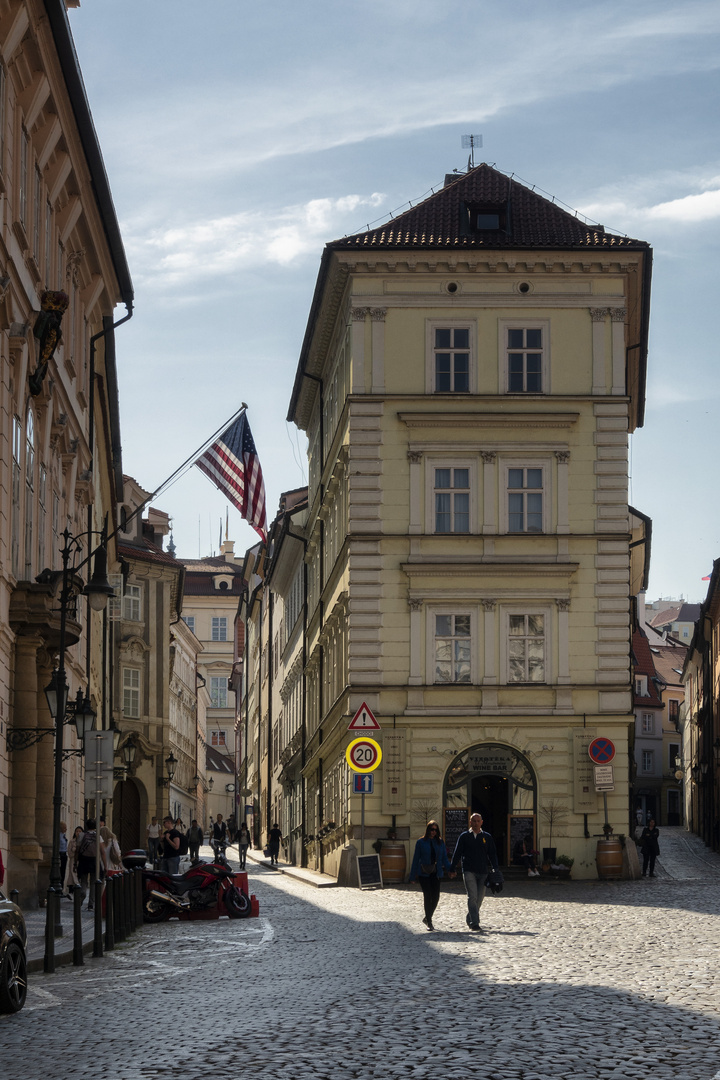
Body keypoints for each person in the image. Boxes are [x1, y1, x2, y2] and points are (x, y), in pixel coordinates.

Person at [451, 812, 500, 932]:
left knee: (479, 898)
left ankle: (470, 917)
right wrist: (452, 868)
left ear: (481, 822)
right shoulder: (464, 836)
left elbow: (492, 854)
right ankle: (475, 923)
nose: (476, 823)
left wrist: (496, 869)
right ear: (470, 822)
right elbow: (457, 853)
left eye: (478, 821)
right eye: (474, 821)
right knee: (472, 896)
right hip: (468, 871)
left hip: (483, 872)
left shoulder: (487, 837)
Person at [408, 820, 454, 930]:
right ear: (428, 830)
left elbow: (444, 859)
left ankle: (427, 917)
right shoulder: (421, 842)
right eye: (431, 829)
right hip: (424, 873)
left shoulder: (440, 842)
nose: (433, 832)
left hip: (436, 872)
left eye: (435, 830)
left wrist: (450, 869)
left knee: (436, 897)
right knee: (427, 896)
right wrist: (412, 876)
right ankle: (429, 921)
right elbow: (415, 859)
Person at [76, 819, 107, 909]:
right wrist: (105, 865)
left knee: (84, 880)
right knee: (93, 882)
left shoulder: (82, 835)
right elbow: (102, 852)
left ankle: (83, 894)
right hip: (94, 860)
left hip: (83, 860)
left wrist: (75, 862)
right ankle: (91, 903)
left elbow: (77, 851)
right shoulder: (98, 836)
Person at [64, 826, 83, 895]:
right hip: (73, 860)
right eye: (77, 831)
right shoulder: (72, 841)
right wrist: (74, 853)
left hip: (81, 860)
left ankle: (77, 886)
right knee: (72, 873)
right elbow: (69, 851)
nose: (78, 833)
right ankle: (72, 889)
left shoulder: (84, 841)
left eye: (80, 831)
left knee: (78, 874)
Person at [59, 821, 68, 888]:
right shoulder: (59, 836)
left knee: (63, 872)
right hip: (60, 855)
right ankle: (60, 886)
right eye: (64, 828)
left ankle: (61, 887)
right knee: (60, 872)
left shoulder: (63, 836)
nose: (66, 829)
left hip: (64, 854)